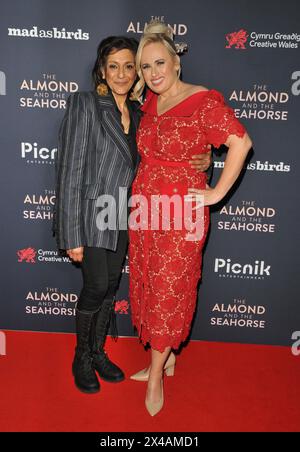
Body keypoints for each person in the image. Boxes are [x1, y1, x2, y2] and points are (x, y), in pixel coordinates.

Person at [54, 35, 211, 394]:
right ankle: (81, 356)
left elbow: (168, 157)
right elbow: (69, 170)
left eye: (129, 66)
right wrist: (71, 233)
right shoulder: (86, 104)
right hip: (91, 213)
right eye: (114, 66)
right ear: (102, 70)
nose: (122, 74)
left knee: (109, 287)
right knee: (95, 286)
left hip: (126, 216)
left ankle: (97, 352)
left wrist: (204, 163)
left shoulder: (144, 112)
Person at [128, 21, 252, 416]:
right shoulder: (150, 102)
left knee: (169, 290)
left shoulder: (204, 101)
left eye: (160, 63)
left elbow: (240, 142)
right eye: (146, 67)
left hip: (181, 214)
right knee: (150, 282)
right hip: (146, 209)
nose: (153, 73)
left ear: (177, 62)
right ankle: (165, 360)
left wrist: (215, 193)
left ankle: (155, 377)